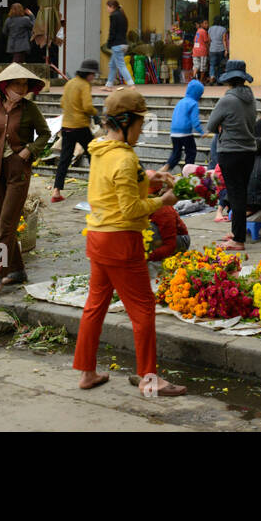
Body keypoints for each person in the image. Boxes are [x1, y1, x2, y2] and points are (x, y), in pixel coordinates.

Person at [73, 89, 186, 396]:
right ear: (125, 123)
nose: (141, 131)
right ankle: (149, 379)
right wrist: (164, 201)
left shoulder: (99, 149)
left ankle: (87, 373)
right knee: (143, 309)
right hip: (122, 240)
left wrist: (150, 180)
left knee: (95, 306)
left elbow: (116, 189)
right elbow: (131, 208)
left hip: (98, 237)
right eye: (139, 124)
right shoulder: (124, 158)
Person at [0, 65, 52, 294]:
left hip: (18, 170)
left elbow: (46, 134)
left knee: (7, 224)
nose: (22, 88)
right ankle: (17, 270)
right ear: (5, 86)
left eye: (25, 84)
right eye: (17, 84)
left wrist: (29, 150)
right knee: (1, 223)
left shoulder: (30, 109)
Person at [207, 61, 257, 251]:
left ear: (229, 79)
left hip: (230, 152)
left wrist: (223, 126)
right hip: (248, 152)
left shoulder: (227, 100)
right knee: (240, 194)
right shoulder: (251, 98)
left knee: (235, 195)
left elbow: (211, 125)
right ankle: (238, 233)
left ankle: (238, 239)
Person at [51, 59, 98, 203]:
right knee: (94, 155)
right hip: (80, 126)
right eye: (93, 75)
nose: (93, 77)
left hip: (66, 127)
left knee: (64, 159)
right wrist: (96, 114)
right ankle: (97, 188)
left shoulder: (70, 83)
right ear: (89, 74)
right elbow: (87, 106)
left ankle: (56, 191)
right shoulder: (84, 85)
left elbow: (62, 103)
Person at [161, 79, 205, 173]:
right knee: (191, 152)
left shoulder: (181, 101)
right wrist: (201, 132)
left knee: (176, 154)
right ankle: (188, 173)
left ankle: (165, 168)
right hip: (185, 132)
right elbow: (195, 120)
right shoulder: (193, 103)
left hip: (174, 132)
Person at [102, 0, 135, 91]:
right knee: (112, 65)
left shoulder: (114, 16)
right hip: (124, 44)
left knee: (121, 65)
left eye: (107, 7)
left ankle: (131, 84)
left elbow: (112, 31)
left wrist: (109, 43)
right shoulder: (123, 15)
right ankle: (108, 85)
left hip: (117, 44)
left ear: (112, 7)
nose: (107, 9)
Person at [207, 17, 229, 85]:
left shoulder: (210, 29)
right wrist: (226, 50)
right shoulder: (223, 29)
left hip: (212, 49)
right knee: (220, 65)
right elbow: (224, 40)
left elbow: (209, 40)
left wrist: (209, 48)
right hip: (220, 49)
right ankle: (219, 80)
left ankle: (212, 76)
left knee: (212, 65)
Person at [191, 19, 210, 83]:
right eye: (205, 23)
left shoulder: (198, 31)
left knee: (196, 65)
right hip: (202, 51)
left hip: (195, 51)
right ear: (201, 24)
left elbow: (195, 41)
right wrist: (208, 50)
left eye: (207, 23)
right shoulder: (204, 31)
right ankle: (201, 81)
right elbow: (206, 42)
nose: (207, 25)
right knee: (203, 67)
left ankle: (194, 76)